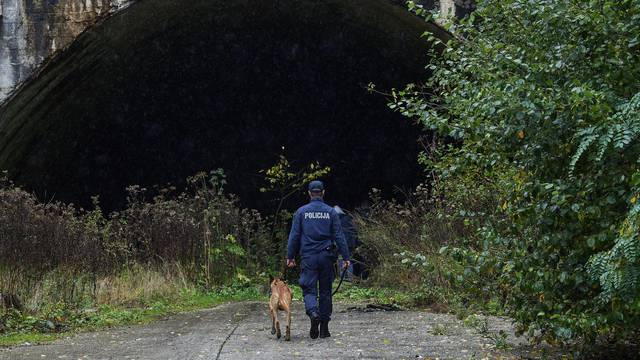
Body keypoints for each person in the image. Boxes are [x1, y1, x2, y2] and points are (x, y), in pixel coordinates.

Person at [286, 180, 350, 339]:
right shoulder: (331, 212)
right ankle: (324, 328)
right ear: (323, 192)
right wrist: (346, 257)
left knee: (309, 289)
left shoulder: (301, 212)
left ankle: (313, 313)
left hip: (308, 257)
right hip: (326, 257)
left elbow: (294, 236)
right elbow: (339, 236)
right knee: (326, 291)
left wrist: (290, 256)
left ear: (309, 193)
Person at [333, 205, 359, 280]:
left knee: (342, 261)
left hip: (342, 245)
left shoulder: (337, 221)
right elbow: (354, 232)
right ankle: (349, 279)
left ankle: (343, 280)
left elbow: (337, 235)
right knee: (349, 261)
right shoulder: (348, 219)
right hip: (351, 244)